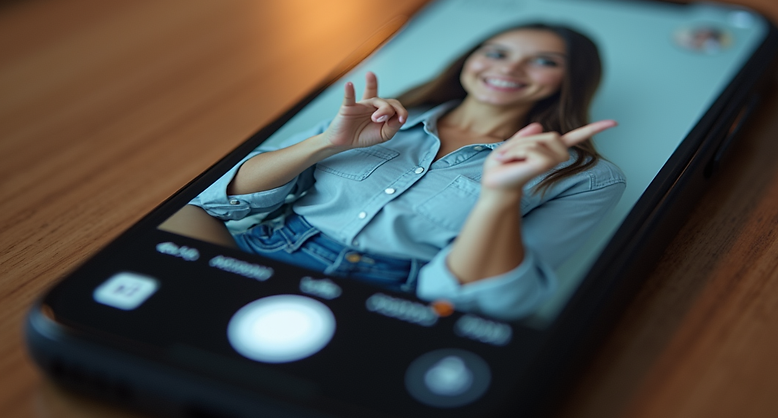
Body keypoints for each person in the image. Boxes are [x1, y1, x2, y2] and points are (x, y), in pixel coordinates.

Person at [161, 23, 626, 320]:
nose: (511, 67)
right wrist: (327, 142)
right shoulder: (377, 117)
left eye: (544, 61)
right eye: (497, 51)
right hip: (263, 250)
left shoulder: (585, 177)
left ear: (570, 80)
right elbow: (218, 200)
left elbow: (495, 301)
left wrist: (501, 194)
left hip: (393, 294)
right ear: (471, 59)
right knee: (164, 218)